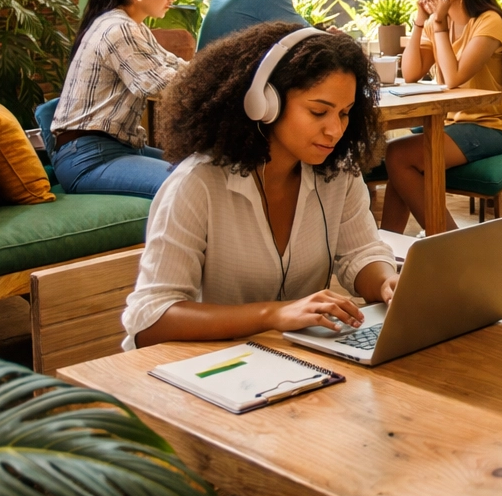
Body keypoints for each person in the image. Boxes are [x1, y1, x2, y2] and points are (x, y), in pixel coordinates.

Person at [122, 22, 398, 348]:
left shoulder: (337, 174)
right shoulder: (196, 184)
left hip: (290, 361)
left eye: (344, 113)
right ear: (265, 103)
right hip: (202, 365)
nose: (335, 130)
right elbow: (150, 319)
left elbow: (361, 253)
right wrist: (272, 315)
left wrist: (386, 282)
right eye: (318, 111)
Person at [381, 0, 502, 233]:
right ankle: (386, 251)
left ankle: (449, 242)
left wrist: (438, 25)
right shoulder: (441, 21)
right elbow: (411, 73)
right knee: (396, 157)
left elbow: (453, 78)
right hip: (453, 123)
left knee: (398, 156)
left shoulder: (488, 21)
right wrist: (421, 21)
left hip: (494, 126)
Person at [51, 0, 186, 199]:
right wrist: (222, 85)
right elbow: (158, 82)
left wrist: (224, 73)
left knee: (200, 171)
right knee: (188, 184)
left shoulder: (135, 27)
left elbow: (176, 66)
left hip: (110, 149)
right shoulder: (118, 28)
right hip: (88, 157)